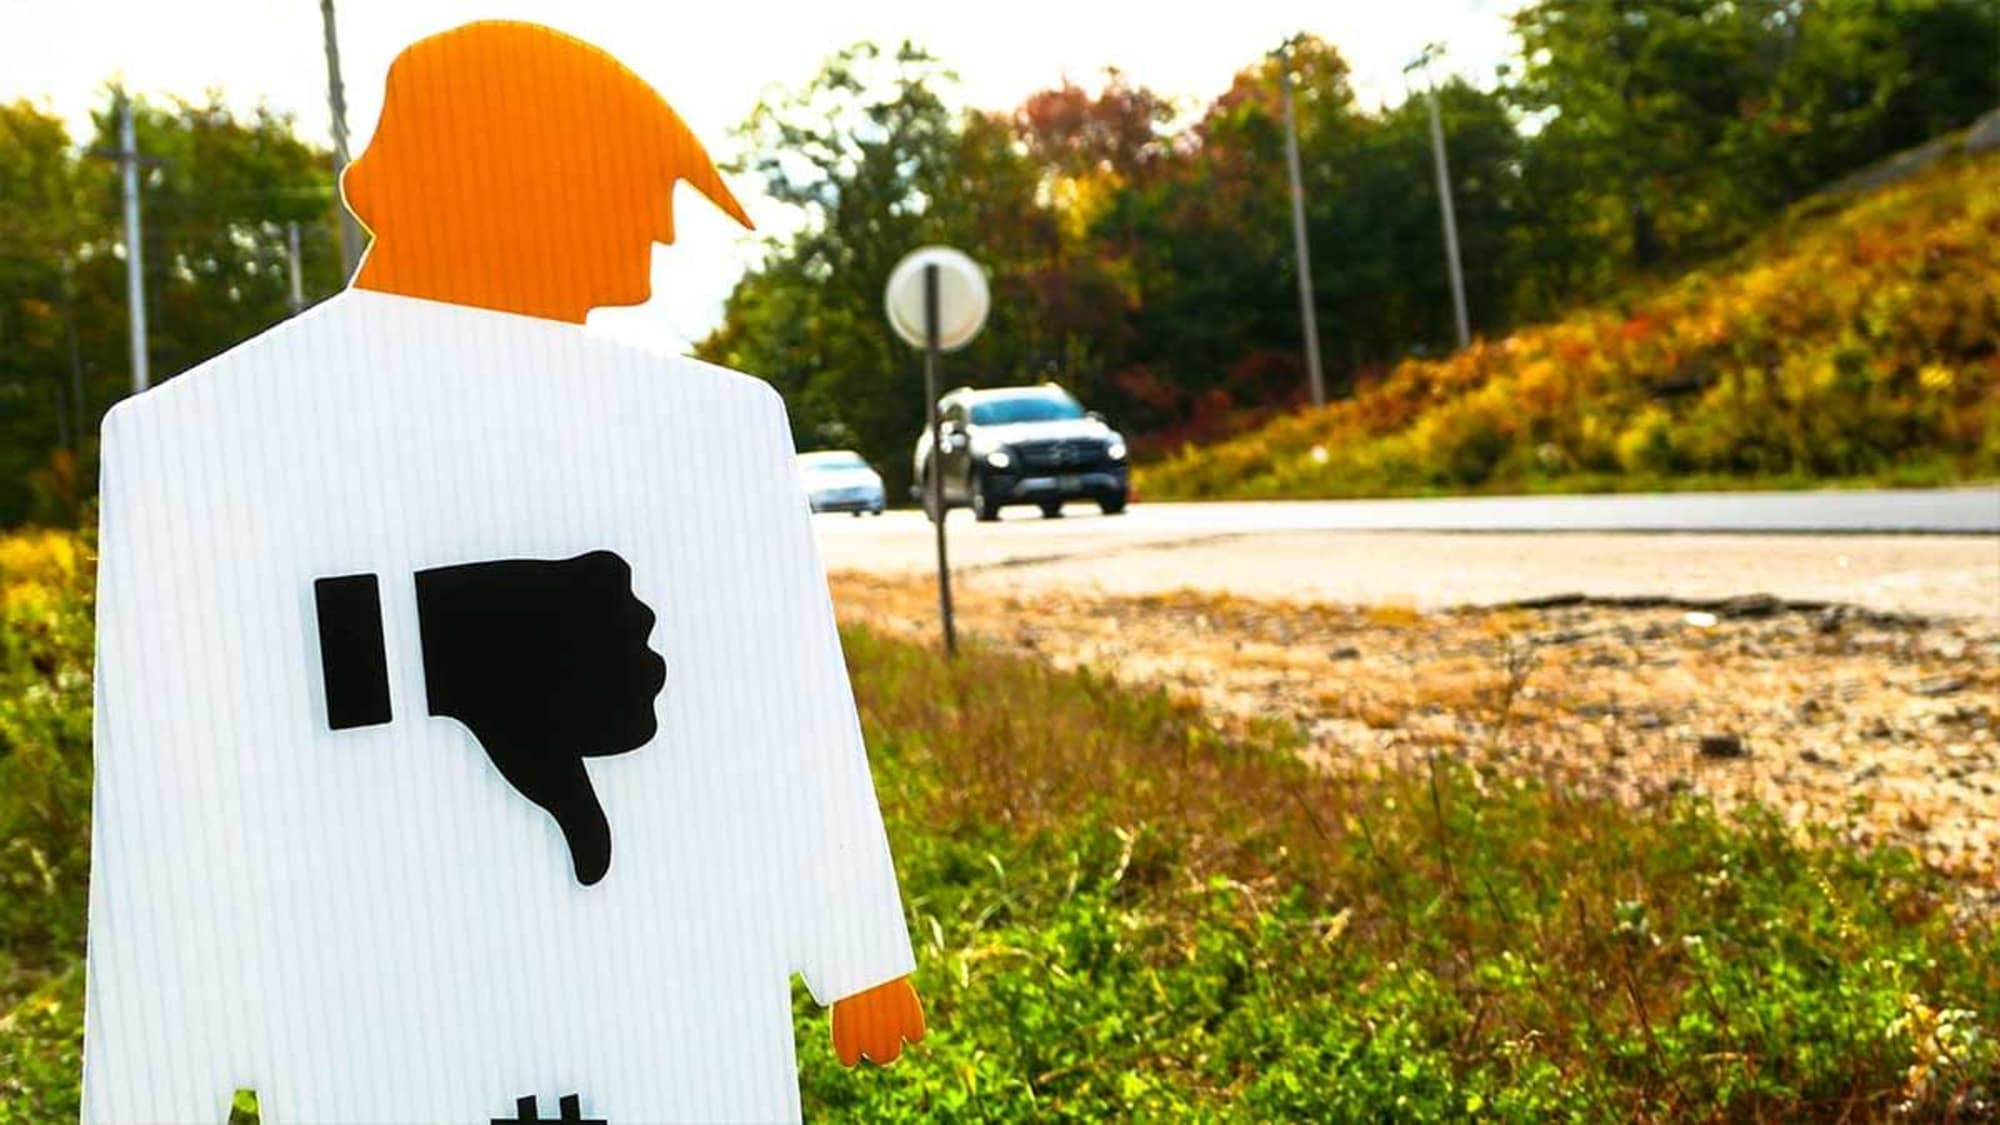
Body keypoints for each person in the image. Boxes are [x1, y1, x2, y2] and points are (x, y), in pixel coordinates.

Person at [84, 22, 922, 1123]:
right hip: (379, 1011)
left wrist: (856, 946)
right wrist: (156, 1077)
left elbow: (783, 702)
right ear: (528, 187)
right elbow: (172, 788)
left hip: (659, 1002)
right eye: (637, 195)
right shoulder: (202, 444)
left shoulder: (710, 427)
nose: (658, 246)